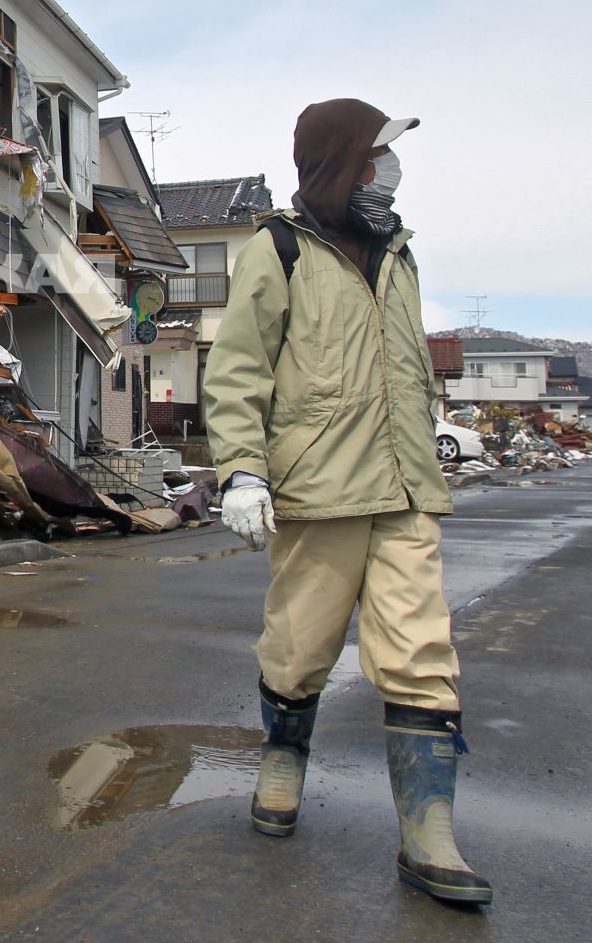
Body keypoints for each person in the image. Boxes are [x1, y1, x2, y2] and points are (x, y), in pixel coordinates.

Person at [204, 99, 491, 907]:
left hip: (404, 487)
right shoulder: (280, 248)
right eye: (374, 157)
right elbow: (236, 368)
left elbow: (404, 365)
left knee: (419, 650)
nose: (387, 173)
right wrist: (241, 470)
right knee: (300, 646)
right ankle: (282, 759)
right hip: (319, 486)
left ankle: (428, 833)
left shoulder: (397, 252)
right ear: (339, 163)